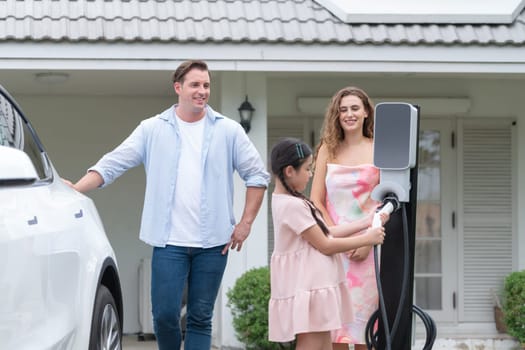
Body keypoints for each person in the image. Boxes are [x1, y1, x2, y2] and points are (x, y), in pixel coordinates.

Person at [64, 60, 270, 350]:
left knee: (200, 317)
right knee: (163, 316)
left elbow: (258, 176)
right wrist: (76, 187)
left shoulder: (229, 131)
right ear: (178, 88)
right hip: (168, 242)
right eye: (195, 85)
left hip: (213, 243)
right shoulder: (152, 129)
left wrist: (246, 223)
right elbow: (113, 163)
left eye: (206, 85)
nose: (202, 91)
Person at [268, 137, 387, 350]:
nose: (311, 174)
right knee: (312, 345)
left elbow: (326, 232)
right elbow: (324, 244)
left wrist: (366, 222)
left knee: (324, 345)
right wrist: (367, 238)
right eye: (307, 169)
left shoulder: (294, 201)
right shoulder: (291, 206)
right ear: (289, 171)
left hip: (316, 287)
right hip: (309, 287)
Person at [310, 86, 379, 350]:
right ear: (336, 116)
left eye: (354, 108)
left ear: (365, 113)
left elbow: (386, 202)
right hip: (333, 247)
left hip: (368, 250)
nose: (349, 114)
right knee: (335, 331)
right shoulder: (328, 149)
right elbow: (316, 199)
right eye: (343, 110)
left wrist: (366, 241)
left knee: (364, 330)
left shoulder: (379, 149)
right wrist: (337, 236)